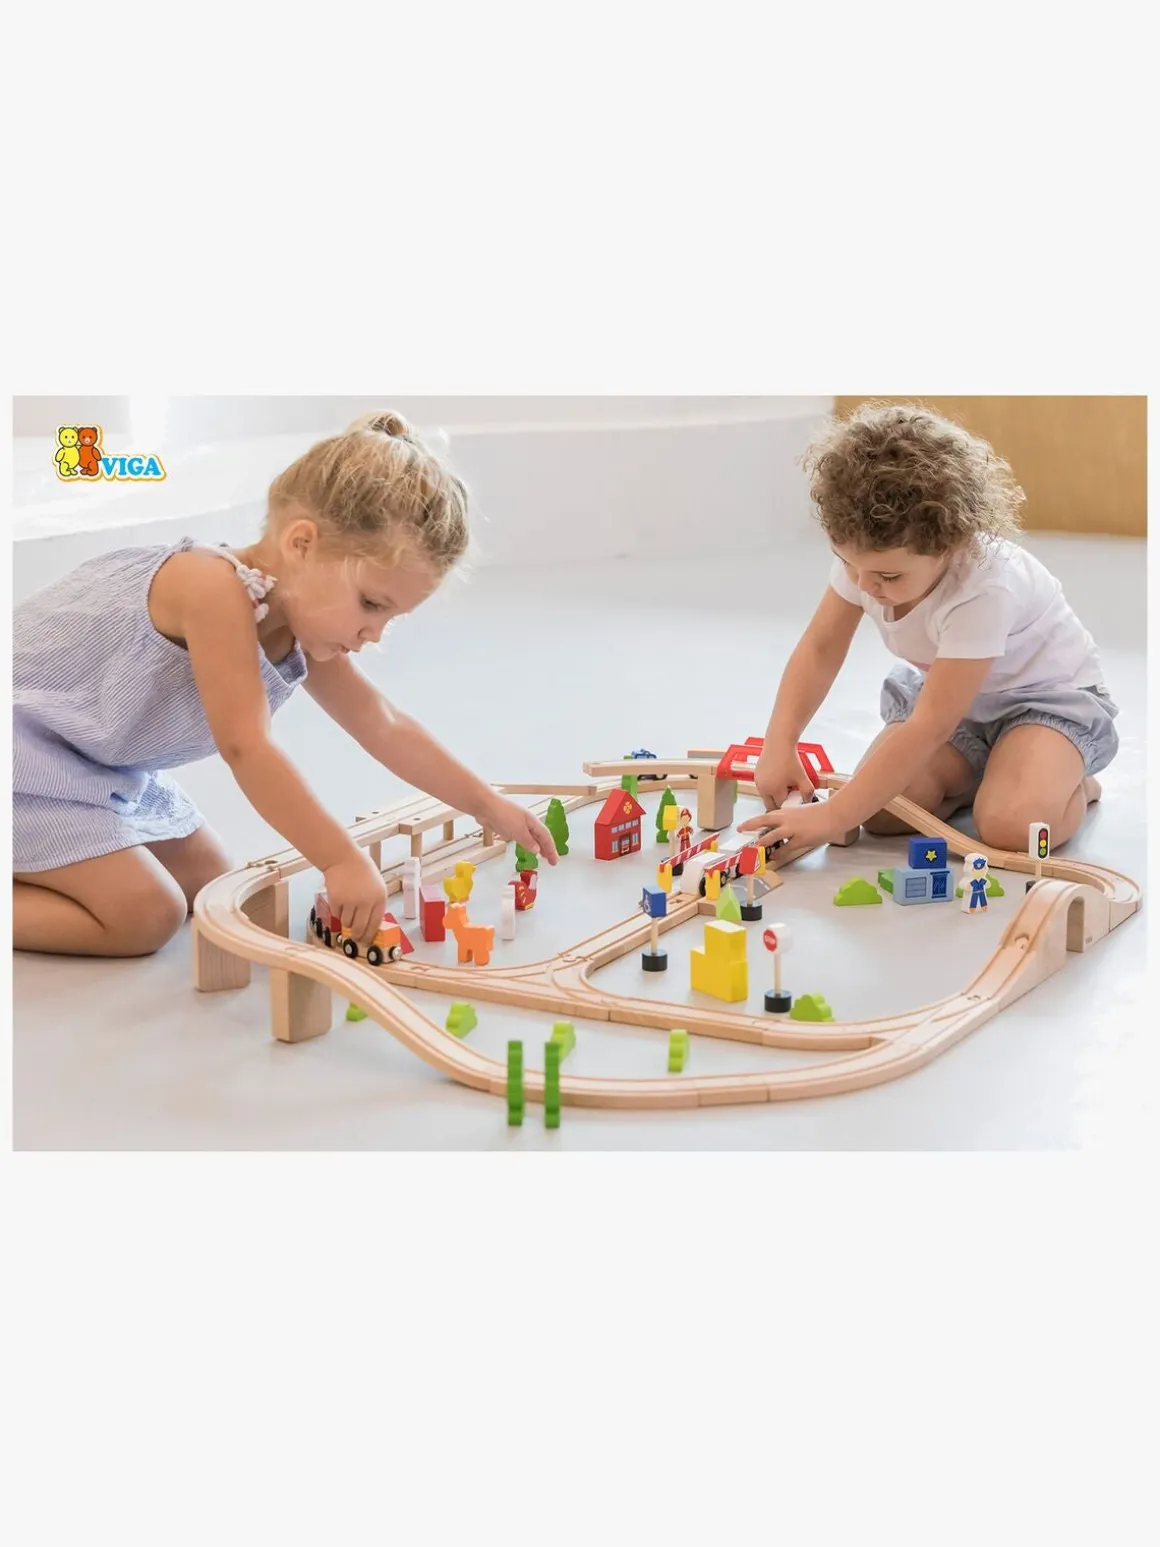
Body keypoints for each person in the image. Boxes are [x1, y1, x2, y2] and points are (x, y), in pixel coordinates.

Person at [13, 410, 557, 958]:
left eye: (391, 618)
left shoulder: (294, 621)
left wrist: (486, 804)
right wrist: (340, 859)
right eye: (371, 604)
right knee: (147, 915)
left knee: (207, 882)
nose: (374, 634)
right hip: (22, 755)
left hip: (92, 765)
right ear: (301, 544)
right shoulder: (210, 588)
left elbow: (382, 724)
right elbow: (247, 747)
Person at [738, 402, 1117, 855]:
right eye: (848, 564)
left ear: (950, 544)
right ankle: (989, 773)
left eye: (889, 576)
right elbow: (820, 649)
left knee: (1014, 827)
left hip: (1044, 705)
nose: (864, 585)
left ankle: (1072, 782)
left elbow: (930, 725)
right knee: (883, 813)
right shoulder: (869, 562)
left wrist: (834, 816)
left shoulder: (984, 586)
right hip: (957, 704)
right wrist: (779, 744)